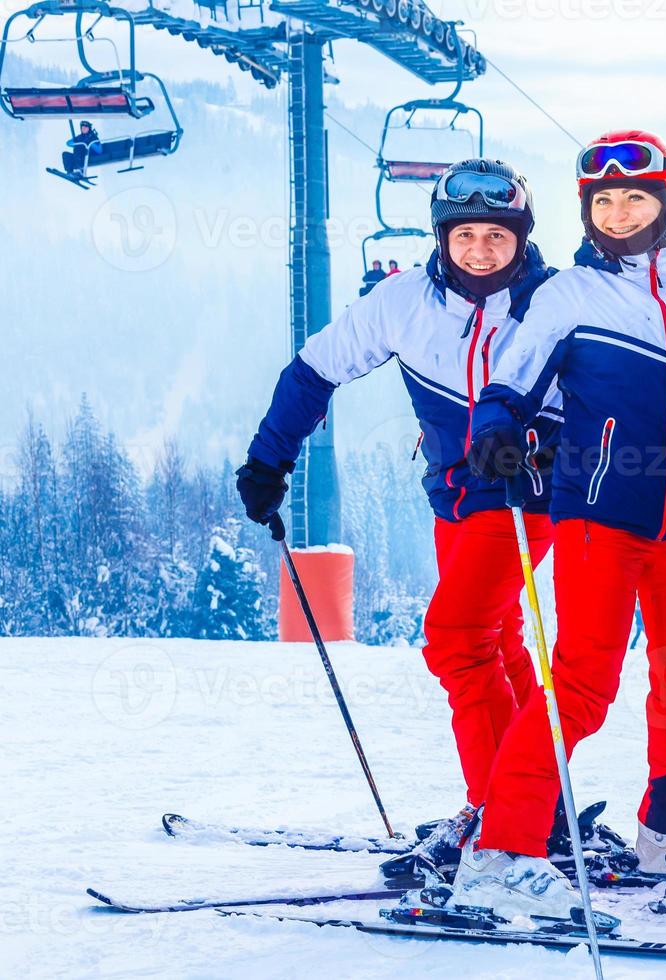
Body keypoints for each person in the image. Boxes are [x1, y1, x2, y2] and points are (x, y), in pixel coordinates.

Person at [236, 159, 557, 885]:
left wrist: (553, 442)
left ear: (521, 237)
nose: (480, 249)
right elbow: (315, 371)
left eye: (496, 235)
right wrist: (269, 458)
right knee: (497, 640)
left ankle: (503, 816)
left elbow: (605, 389)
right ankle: (533, 798)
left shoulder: (552, 301)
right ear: (442, 238)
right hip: (453, 497)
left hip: (525, 499)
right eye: (464, 234)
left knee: (457, 640)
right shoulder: (404, 300)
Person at [444, 129, 666, 918]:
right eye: (603, 200)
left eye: (636, 196)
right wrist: (496, 428)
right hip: (601, 511)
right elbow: (515, 374)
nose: (620, 211)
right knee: (583, 682)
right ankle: (505, 847)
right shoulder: (570, 293)